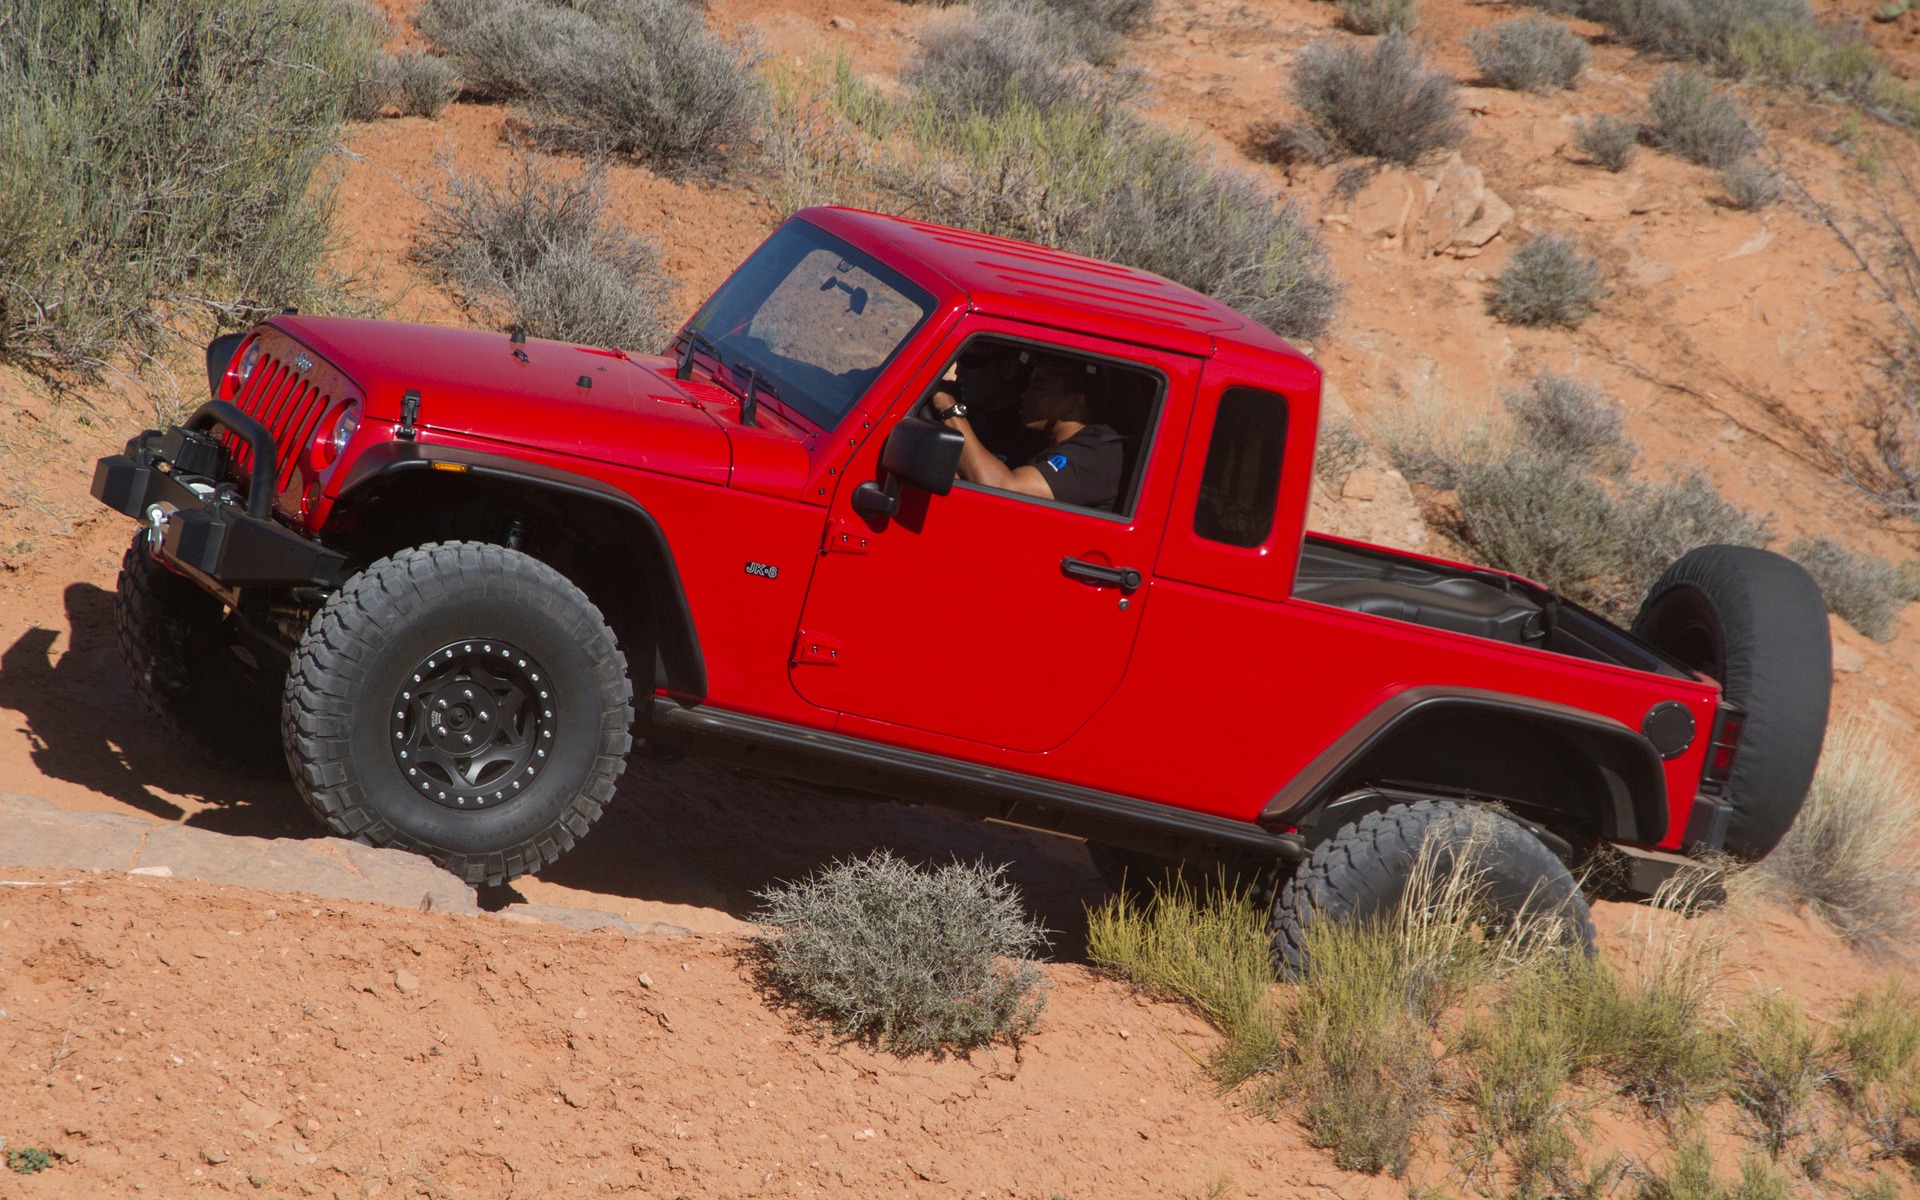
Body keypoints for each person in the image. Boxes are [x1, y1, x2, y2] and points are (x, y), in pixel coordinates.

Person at [929, 352, 1124, 513]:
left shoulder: (1093, 456)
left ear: (1075, 402)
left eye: (1038, 387)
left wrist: (947, 406)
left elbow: (1003, 488)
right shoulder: (1049, 441)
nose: (1025, 394)